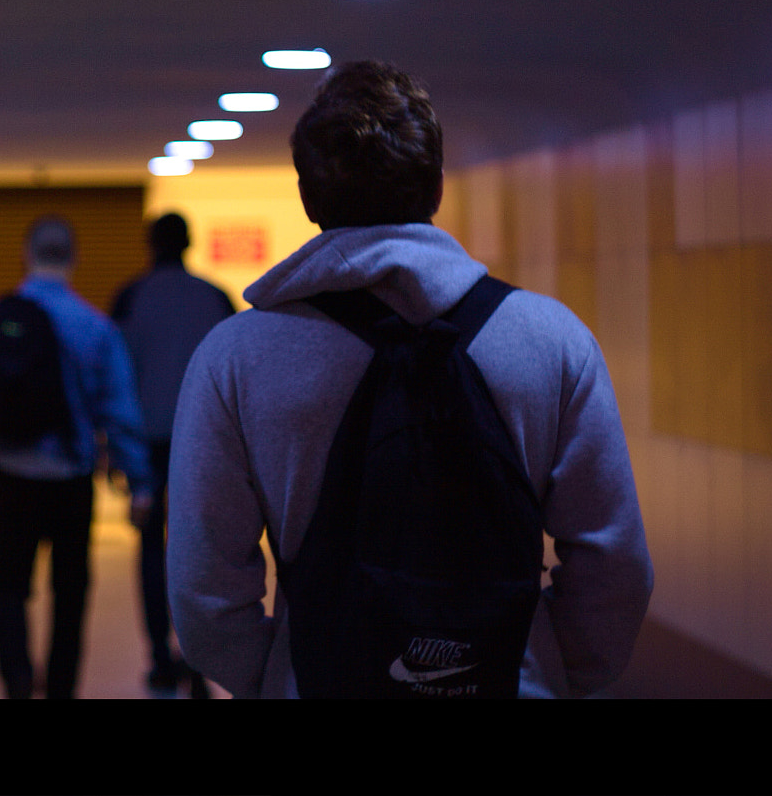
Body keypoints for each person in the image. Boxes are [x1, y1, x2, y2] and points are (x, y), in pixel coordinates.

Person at [167, 60, 653, 698]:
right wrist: (547, 675)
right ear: (437, 186)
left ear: (308, 196)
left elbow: (204, 588)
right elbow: (615, 568)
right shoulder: (552, 340)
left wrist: (276, 678)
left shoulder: (234, 358)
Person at [0, 215, 155, 699]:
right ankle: (61, 689)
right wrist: (140, 482)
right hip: (71, 479)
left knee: (7, 589)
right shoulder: (95, 326)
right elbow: (120, 411)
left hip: (14, 474)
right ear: (74, 259)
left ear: (26, 255)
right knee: (71, 595)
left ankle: (18, 683)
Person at [111, 212, 235, 697]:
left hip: (147, 443)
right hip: (205, 444)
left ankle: (160, 658)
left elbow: (118, 383)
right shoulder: (214, 298)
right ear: (188, 243)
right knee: (200, 551)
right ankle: (199, 660)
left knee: (149, 551)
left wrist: (118, 456)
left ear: (151, 245)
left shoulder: (131, 297)